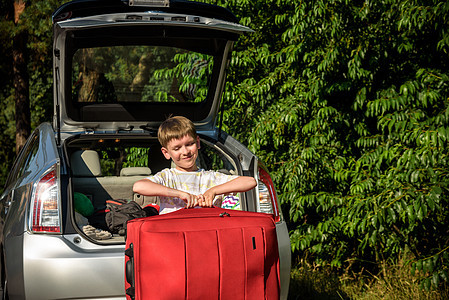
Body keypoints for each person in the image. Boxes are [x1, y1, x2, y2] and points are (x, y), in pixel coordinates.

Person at [133, 116, 257, 214]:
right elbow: (139, 186)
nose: (185, 152)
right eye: (177, 148)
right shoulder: (167, 177)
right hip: (173, 237)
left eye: (189, 144)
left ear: (197, 143)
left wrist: (213, 191)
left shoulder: (211, 178)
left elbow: (250, 181)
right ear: (166, 153)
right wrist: (179, 194)